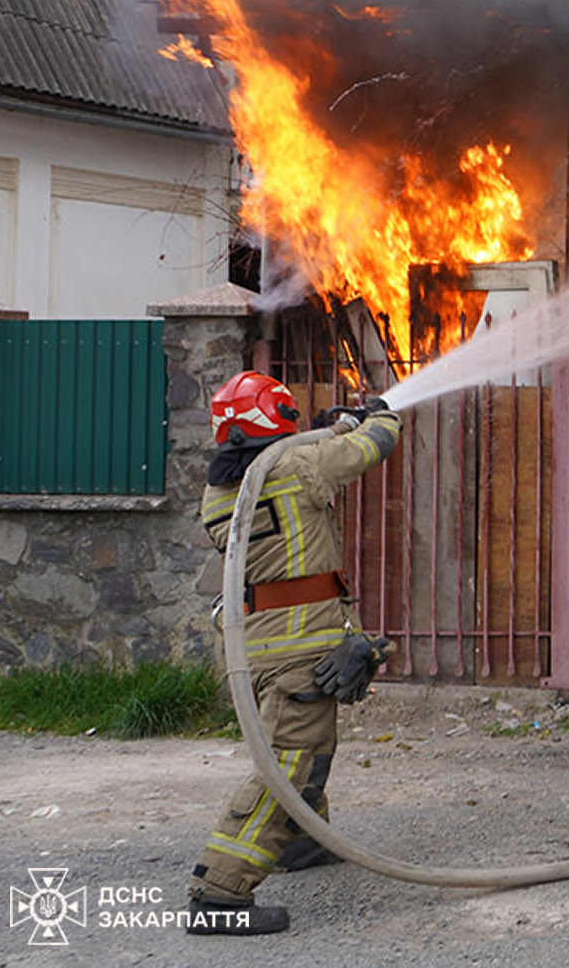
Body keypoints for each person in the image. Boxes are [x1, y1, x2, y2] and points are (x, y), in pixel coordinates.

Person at [186, 370, 400, 935]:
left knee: (302, 744)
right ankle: (219, 892)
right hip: (300, 646)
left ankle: (302, 842)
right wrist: (383, 415)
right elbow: (369, 448)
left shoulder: (221, 490)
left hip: (257, 649)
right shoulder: (297, 465)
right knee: (289, 760)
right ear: (277, 417)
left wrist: (323, 434)